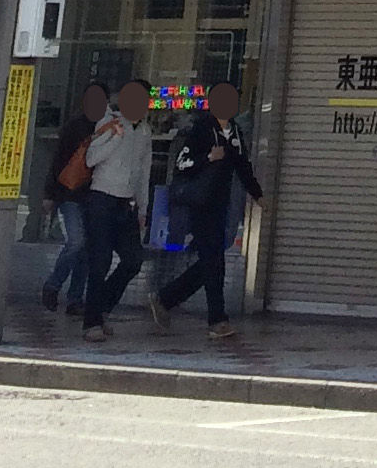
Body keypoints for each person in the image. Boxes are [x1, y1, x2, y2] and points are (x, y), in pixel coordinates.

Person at [150, 79, 263, 343]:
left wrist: (257, 194)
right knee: (214, 264)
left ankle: (165, 299)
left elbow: (242, 165)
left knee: (212, 264)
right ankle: (217, 321)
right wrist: (207, 159)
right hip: (200, 205)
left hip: (220, 206)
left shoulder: (234, 132)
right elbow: (182, 162)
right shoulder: (202, 129)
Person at [80, 77, 153, 341]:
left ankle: (101, 309)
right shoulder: (109, 122)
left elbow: (144, 173)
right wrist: (115, 139)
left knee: (133, 259)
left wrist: (143, 208)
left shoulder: (145, 131)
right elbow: (91, 159)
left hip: (126, 204)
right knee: (99, 263)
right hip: (101, 199)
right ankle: (92, 323)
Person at [39, 80, 107, 315]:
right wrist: (50, 194)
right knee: (76, 241)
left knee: (86, 249)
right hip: (69, 194)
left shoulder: (108, 127)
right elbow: (58, 160)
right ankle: (53, 285)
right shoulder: (74, 127)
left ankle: (75, 298)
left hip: (96, 196)